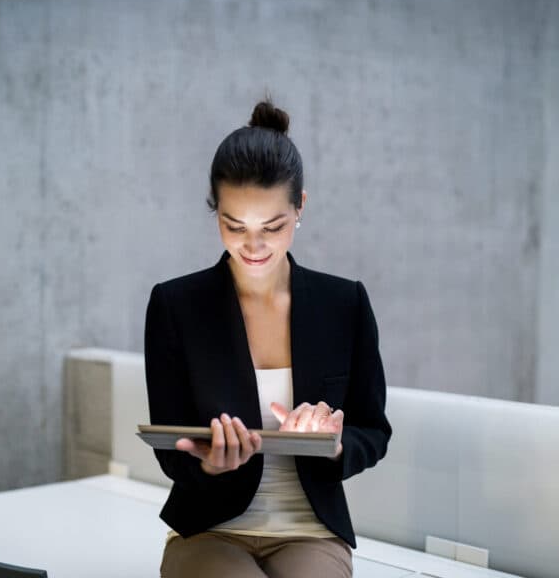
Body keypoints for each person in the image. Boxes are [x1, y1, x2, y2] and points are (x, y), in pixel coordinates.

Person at [143, 99, 391, 578]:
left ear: (301, 207)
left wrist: (333, 442)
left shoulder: (346, 304)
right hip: (210, 526)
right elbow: (170, 451)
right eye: (233, 226)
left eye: (273, 227)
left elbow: (374, 431)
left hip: (310, 529)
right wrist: (211, 464)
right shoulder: (176, 306)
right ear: (215, 210)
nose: (253, 247)